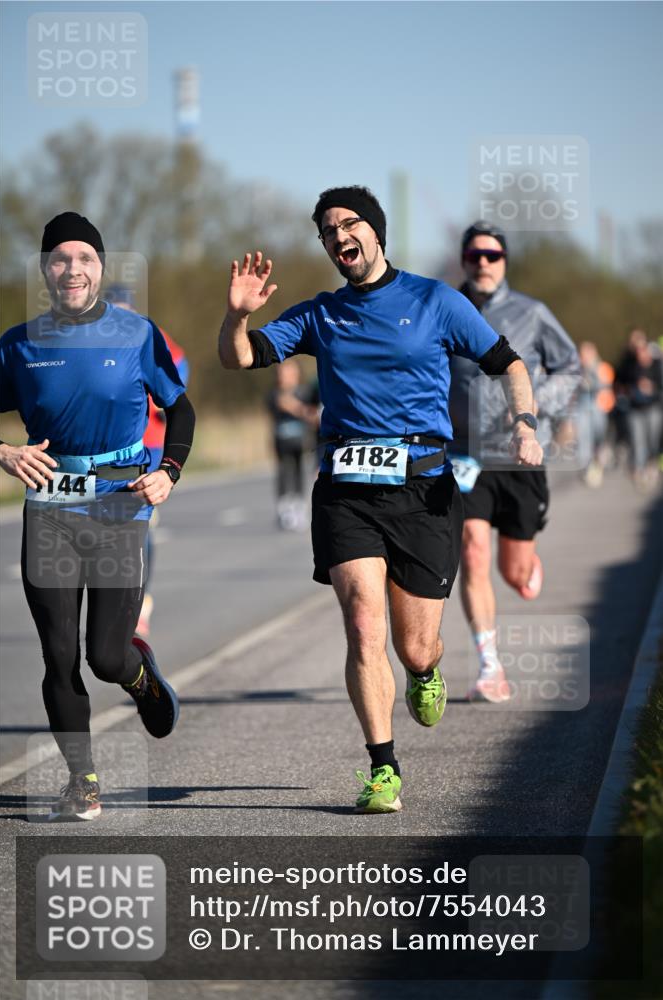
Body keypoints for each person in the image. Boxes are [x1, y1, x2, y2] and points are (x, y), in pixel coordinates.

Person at [218, 187, 543, 813]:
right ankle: (383, 767)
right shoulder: (322, 313)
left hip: (423, 490)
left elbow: (510, 364)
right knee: (364, 624)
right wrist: (236, 317)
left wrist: (524, 426)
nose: (339, 235)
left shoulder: (434, 300)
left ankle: (425, 671)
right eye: (327, 230)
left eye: (349, 223)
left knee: (414, 646)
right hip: (346, 491)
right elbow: (241, 358)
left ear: (376, 231)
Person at [0, 213, 195, 821]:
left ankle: (141, 679)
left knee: (105, 657)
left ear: (101, 268)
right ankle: (82, 781)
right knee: (58, 655)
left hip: (118, 506)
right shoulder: (18, 344)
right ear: (45, 269)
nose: (72, 269)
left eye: (85, 258)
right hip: (49, 509)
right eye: (60, 258)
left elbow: (181, 409)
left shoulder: (136, 334)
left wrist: (169, 471)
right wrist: (4, 452)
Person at [449, 220, 581, 703]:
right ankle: (490, 666)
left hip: (519, 455)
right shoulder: (445, 310)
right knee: (472, 551)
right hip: (464, 455)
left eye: (492, 255)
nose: (483, 263)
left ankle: (525, 566)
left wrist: (534, 404)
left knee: (514, 572)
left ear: (504, 261)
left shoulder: (533, 313)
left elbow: (571, 368)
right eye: (474, 256)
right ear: (463, 261)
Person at [103, 284, 190, 634]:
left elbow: (179, 373)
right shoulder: (93, 340)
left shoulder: (153, 336)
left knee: (140, 523)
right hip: (109, 449)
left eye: (125, 310)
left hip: (149, 447)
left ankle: (141, 599)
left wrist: (158, 402)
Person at [267, 357, 319, 530]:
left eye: (289, 372)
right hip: (281, 440)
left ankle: (299, 507)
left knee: (299, 470)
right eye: (282, 372)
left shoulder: (305, 392)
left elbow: (312, 413)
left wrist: (296, 408)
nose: (285, 376)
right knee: (283, 471)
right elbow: (272, 413)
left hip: (300, 440)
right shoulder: (274, 394)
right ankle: (283, 508)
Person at [614, 327, 662, 491]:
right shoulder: (628, 363)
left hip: (653, 407)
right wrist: (631, 389)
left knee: (652, 438)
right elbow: (618, 384)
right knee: (637, 439)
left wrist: (652, 388)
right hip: (634, 408)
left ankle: (651, 463)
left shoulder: (656, 363)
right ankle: (640, 470)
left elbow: (660, 385)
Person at [576, 341, 614, 488]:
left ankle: (599, 458)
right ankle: (588, 467)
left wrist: (590, 371)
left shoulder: (602, 367)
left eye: (587, 353)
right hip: (582, 407)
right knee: (584, 437)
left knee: (599, 437)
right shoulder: (578, 368)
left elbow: (605, 385)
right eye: (582, 354)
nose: (584, 357)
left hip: (599, 407)